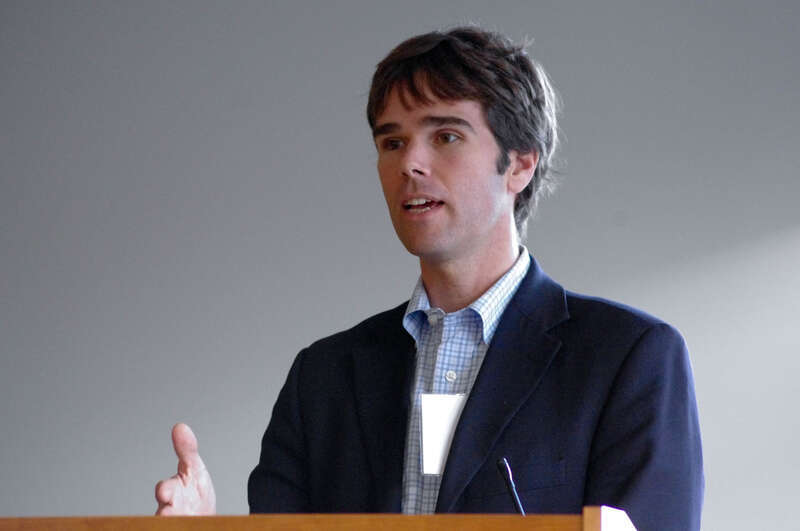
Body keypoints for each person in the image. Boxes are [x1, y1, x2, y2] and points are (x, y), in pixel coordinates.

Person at [155, 26, 704, 530]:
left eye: (444, 136)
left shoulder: (628, 359)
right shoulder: (321, 379)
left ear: (520, 164)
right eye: (391, 142)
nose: (410, 163)